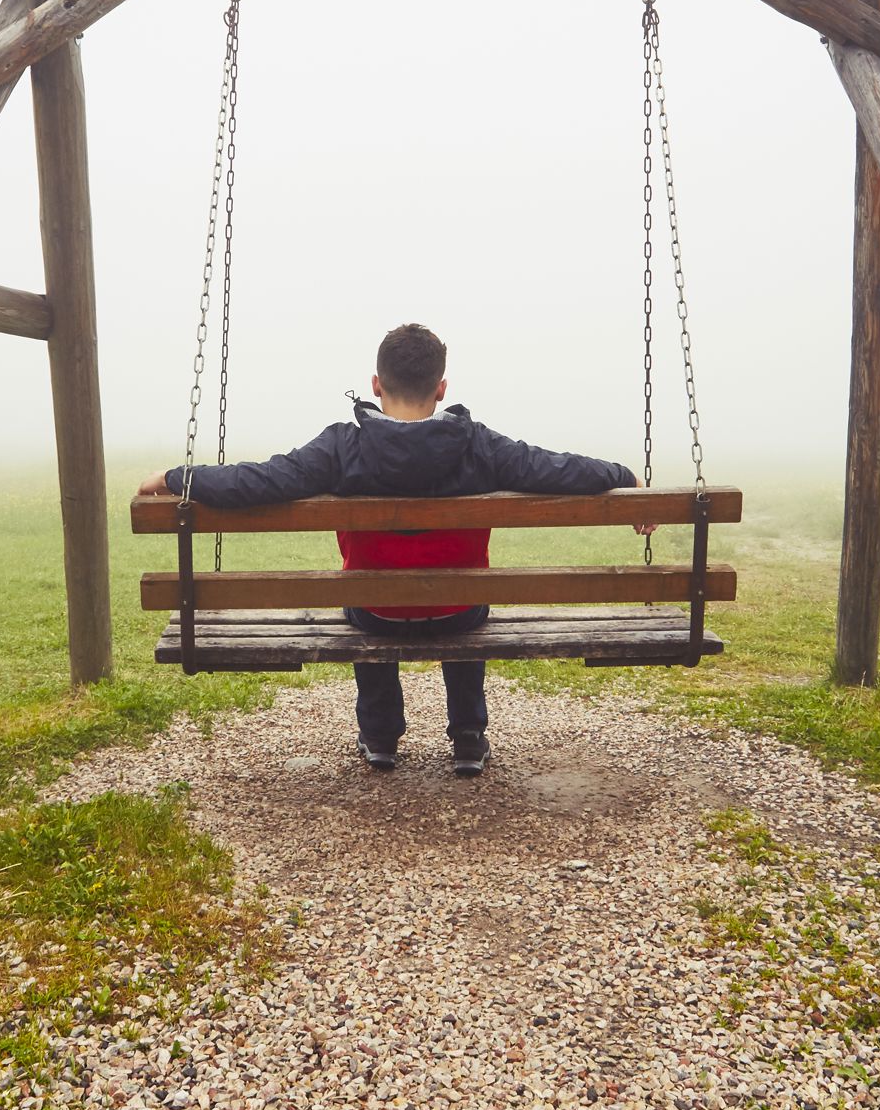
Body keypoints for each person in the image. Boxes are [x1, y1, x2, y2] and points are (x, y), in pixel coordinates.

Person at [137, 323, 638, 778]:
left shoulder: (341, 447)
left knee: (365, 594)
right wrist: (626, 478)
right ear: (441, 390)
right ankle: (467, 738)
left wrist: (178, 478)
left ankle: (380, 738)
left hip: (375, 612)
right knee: (467, 596)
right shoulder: (479, 446)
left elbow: (261, 480)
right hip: (458, 612)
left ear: (376, 384)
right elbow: (557, 469)